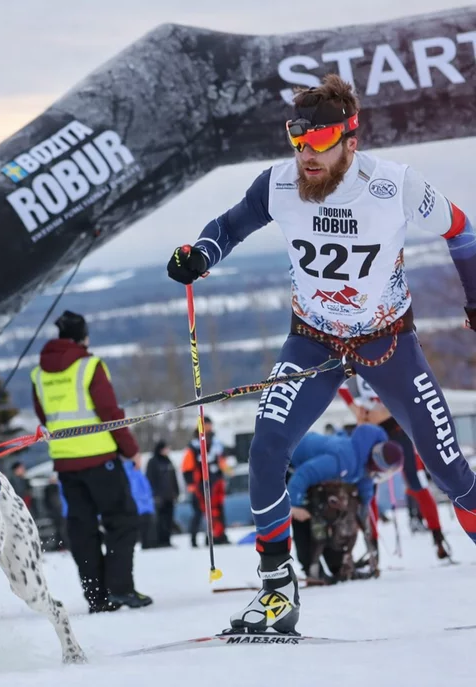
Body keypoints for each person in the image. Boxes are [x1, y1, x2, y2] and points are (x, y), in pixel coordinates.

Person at [167, 74, 476, 635]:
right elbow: (229, 226)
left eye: (320, 141)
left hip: (386, 342)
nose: (306, 155)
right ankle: (277, 594)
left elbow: (461, 229)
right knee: (266, 449)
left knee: (448, 467)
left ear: (350, 141)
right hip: (313, 340)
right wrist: (201, 255)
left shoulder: (395, 185)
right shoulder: (279, 183)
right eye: (297, 140)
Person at [31, 310, 152, 613]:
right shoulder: (90, 366)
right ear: (83, 337)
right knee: (121, 521)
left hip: (65, 464)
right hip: (100, 459)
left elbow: (44, 416)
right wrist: (131, 450)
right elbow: (110, 415)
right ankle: (120, 590)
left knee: (82, 529)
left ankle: (97, 597)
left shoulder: (39, 374)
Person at [339, 375, 451, 559]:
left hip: (396, 429)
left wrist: (377, 410)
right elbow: (342, 387)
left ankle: (438, 537)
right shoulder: (355, 375)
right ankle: (373, 546)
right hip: (375, 430)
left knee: (416, 483)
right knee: (368, 488)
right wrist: (356, 408)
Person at [288, 424, 403, 583]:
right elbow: (304, 474)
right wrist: (295, 504)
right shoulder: (343, 460)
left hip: (310, 474)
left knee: (335, 512)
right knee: (307, 514)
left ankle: (336, 565)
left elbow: (365, 483)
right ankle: (311, 568)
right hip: (288, 461)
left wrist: (363, 506)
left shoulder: (363, 458)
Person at [181, 416, 229, 547]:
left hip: (215, 483)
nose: (209, 428)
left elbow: (223, 463)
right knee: (198, 513)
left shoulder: (217, 444)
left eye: (210, 425)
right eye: (206, 425)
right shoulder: (193, 446)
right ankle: (193, 539)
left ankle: (218, 536)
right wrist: (191, 484)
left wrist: (226, 472)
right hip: (200, 485)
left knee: (218, 511)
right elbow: (186, 468)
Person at [146, 439, 180, 547]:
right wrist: (155, 495)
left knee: (169, 520)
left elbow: (174, 478)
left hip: (170, 496)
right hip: (159, 497)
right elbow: (150, 479)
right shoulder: (153, 462)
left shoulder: (168, 461)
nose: (168, 450)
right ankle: (159, 541)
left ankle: (167, 540)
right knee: (160, 520)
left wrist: (177, 492)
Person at [123, 459, 156, 549]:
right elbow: (135, 491)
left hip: (144, 505)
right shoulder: (130, 474)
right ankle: (144, 543)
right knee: (141, 526)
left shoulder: (138, 473)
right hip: (138, 505)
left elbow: (147, 489)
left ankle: (147, 543)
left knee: (146, 525)